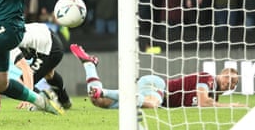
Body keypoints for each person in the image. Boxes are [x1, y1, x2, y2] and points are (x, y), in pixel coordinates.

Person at [70, 44, 247, 108]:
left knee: (98, 102)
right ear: (222, 74)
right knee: (152, 104)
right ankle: (106, 91)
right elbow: (202, 101)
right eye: (229, 79)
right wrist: (229, 105)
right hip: (158, 86)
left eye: (234, 84)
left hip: (153, 91)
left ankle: (89, 65)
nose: (230, 84)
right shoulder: (208, 78)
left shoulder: (213, 94)